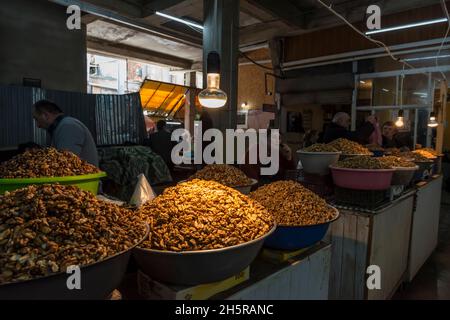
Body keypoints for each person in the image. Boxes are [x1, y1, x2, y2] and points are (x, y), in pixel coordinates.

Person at [32, 100, 99, 167]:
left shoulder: (68, 126)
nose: (38, 125)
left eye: (37, 119)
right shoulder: (63, 126)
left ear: (45, 115)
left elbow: (65, 163)